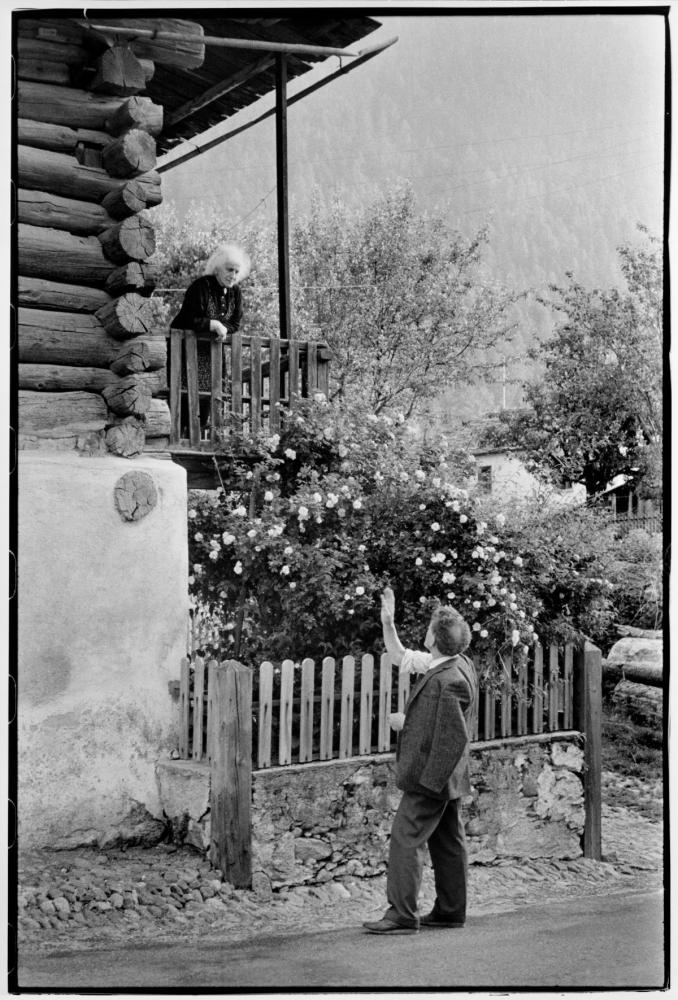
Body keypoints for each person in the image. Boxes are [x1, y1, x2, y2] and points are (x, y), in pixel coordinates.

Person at [363, 587, 477, 935]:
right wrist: (388, 622)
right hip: (449, 777)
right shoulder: (456, 663)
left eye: (428, 627)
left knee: (404, 837)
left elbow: (451, 737)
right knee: (447, 841)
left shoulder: (447, 682)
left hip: (433, 777)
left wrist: (404, 724)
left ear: (433, 638)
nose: (425, 631)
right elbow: (400, 656)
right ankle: (450, 911)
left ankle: (401, 914)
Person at [170, 243, 251, 435]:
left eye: (236, 271)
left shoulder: (235, 292)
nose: (233, 275)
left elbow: (235, 323)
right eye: (229, 269)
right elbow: (189, 318)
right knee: (185, 395)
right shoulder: (201, 286)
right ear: (217, 269)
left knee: (209, 397)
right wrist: (213, 325)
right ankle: (180, 436)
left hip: (212, 352)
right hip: (187, 350)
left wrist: (222, 328)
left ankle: (197, 436)